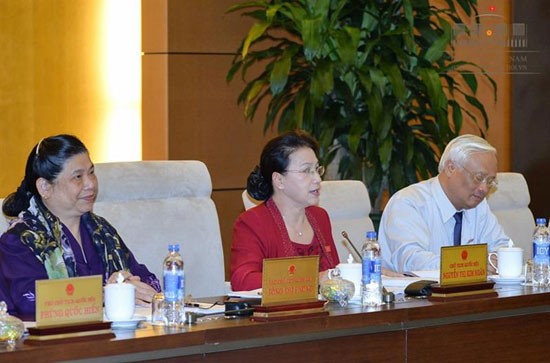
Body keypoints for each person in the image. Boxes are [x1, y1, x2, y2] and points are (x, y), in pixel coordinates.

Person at [0, 134, 160, 316]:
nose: (90, 184)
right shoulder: (20, 240)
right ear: (45, 187)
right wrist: (105, 294)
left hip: (110, 336)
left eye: (91, 172)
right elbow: (31, 301)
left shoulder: (101, 230)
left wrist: (133, 286)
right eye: (78, 177)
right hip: (49, 342)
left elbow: (147, 280)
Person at [378, 134, 509, 273]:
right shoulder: (409, 203)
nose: (484, 188)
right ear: (451, 168)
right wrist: (470, 265)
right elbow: (411, 261)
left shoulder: (478, 206)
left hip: (466, 294)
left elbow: (503, 250)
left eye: (490, 181)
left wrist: (491, 261)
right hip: (413, 294)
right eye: (478, 178)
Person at [230, 130, 340, 291]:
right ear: (279, 180)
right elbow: (243, 280)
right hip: (279, 315)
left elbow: (334, 272)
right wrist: (313, 279)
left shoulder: (320, 217)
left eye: (317, 169)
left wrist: (367, 272)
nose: (317, 178)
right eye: (306, 171)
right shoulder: (252, 222)